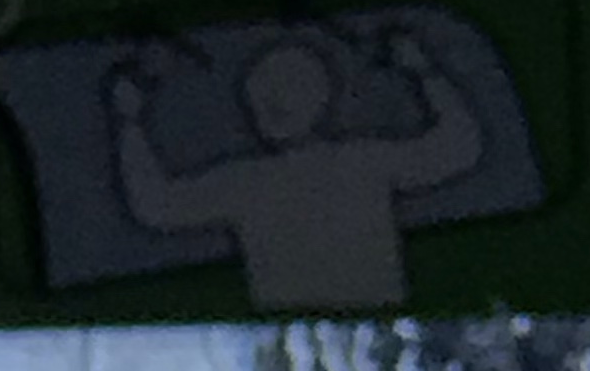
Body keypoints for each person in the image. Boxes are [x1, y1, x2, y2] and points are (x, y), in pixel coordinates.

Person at [107, 24, 483, 312]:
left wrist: (128, 121)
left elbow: (156, 204)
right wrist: (423, 70)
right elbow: (461, 145)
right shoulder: (365, 161)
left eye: (276, 94)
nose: (270, 104)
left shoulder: (247, 182)